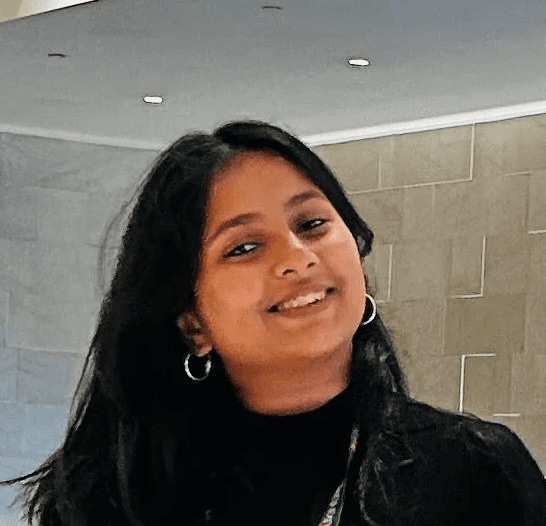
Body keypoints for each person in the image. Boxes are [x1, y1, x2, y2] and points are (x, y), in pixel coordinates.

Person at [1, 120, 545, 526]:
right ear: (192, 323)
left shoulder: (472, 470)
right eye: (244, 247)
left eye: (311, 224)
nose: (297, 258)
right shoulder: (111, 497)